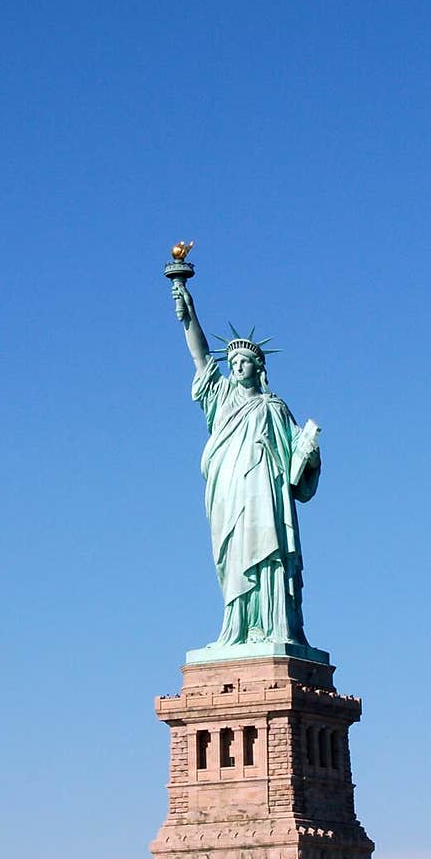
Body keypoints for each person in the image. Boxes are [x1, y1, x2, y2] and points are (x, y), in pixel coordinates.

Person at [172, 277, 321, 648]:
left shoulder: (274, 407)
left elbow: (295, 465)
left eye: (244, 362)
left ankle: (273, 628)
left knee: (268, 552)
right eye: (233, 362)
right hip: (229, 490)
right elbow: (200, 356)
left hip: (265, 494)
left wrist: (309, 454)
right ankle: (236, 628)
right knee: (234, 556)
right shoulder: (220, 396)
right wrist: (189, 315)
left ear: (259, 368)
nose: (237, 367)